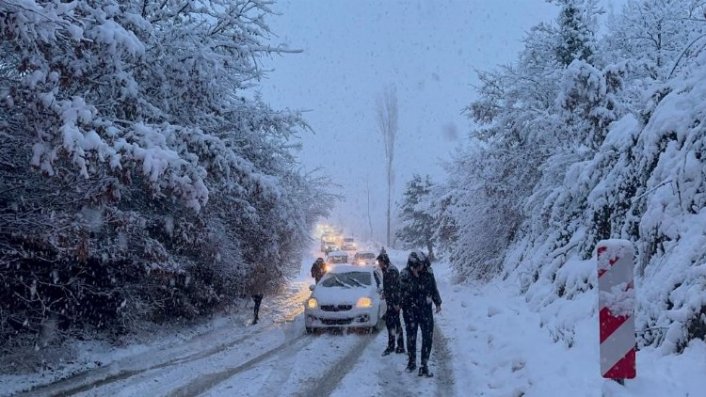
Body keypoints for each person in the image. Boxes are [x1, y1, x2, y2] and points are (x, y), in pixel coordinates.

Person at [400, 251, 442, 377]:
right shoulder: (405, 275)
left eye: (423, 265)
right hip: (410, 311)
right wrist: (414, 279)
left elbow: (433, 288)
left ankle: (424, 365)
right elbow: (401, 294)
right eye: (419, 265)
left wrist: (438, 302)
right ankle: (411, 362)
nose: (422, 267)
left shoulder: (428, 272)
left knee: (427, 337)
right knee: (411, 337)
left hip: (425, 310)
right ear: (413, 265)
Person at [377, 249, 405, 356]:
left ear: (384, 261)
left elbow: (395, 288)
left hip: (394, 302)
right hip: (391, 302)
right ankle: (396, 345)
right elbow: (389, 287)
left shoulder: (391, 271)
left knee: (394, 324)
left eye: (380, 262)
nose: (379, 264)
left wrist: (397, 303)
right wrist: (385, 292)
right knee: (392, 323)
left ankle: (395, 346)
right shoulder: (387, 269)